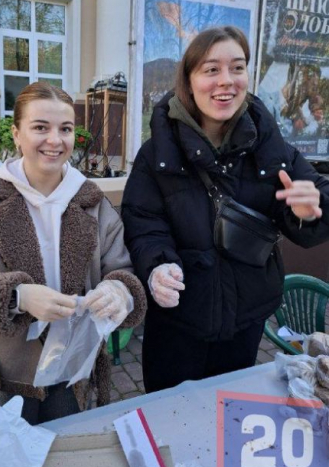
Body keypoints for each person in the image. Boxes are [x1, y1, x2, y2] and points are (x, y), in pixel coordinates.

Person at [122, 26, 329, 393]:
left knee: (227, 421)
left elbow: (319, 197)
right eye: (211, 69)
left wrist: (311, 209)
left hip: (244, 323)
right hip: (177, 326)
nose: (226, 81)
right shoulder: (157, 154)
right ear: (189, 79)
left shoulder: (271, 146)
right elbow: (143, 222)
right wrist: (157, 266)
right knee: (170, 419)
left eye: (237, 67)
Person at [0, 82, 146, 424]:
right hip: (7, 375)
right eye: (40, 128)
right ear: (17, 135)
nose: (55, 140)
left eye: (65, 129)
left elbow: (122, 271)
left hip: (74, 371)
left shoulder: (91, 202)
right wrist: (18, 297)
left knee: (64, 466)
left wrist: (118, 291)